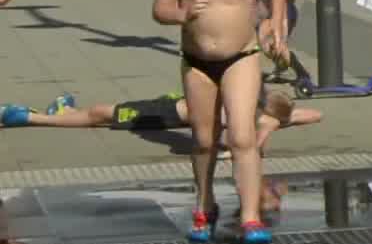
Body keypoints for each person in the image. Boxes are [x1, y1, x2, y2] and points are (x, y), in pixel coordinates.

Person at [152, 0, 288, 244]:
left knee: (242, 137)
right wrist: (181, 14)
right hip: (198, 63)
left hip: (241, 57)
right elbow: (160, 10)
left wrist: (276, 20)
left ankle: (250, 216)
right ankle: (205, 203)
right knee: (203, 141)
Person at [2, 89, 320, 149]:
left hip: (160, 114)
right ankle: (63, 113)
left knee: (99, 114)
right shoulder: (252, 113)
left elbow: (238, 143)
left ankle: (30, 118)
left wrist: (268, 127)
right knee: (99, 113)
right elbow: (314, 114)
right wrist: (279, 120)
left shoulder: (234, 113)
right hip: (165, 106)